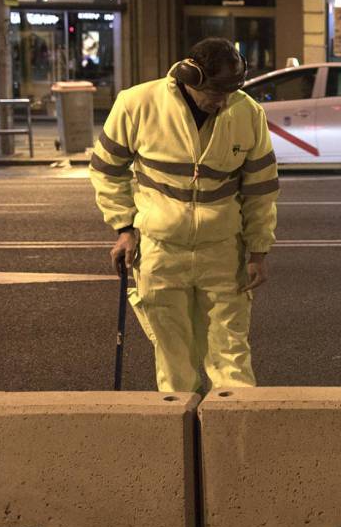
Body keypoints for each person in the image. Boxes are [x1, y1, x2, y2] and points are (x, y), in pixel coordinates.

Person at [90, 38, 280, 394]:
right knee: (173, 357)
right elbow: (106, 169)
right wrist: (124, 227)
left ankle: (234, 424)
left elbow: (261, 190)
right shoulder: (137, 104)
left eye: (230, 92)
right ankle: (180, 425)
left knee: (232, 355)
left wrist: (258, 251)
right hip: (160, 251)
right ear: (189, 77)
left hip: (223, 252)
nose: (222, 101)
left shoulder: (248, 113)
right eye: (215, 92)